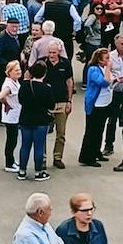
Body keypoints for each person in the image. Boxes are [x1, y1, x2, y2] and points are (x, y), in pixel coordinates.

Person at [16, 60, 55, 182]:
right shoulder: (46, 88)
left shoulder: (25, 85)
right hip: (41, 121)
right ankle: (38, 172)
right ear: (45, 73)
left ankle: (22, 171)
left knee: (25, 146)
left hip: (25, 119)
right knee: (39, 147)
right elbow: (51, 105)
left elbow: (20, 100)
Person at [41, 41, 74, 170]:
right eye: (49, 52)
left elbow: (69, 82)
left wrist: (69, 101)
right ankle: (42, 158)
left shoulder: (65, 63)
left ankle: (58, 157)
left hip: (62, 102)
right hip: (46, 103)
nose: (51, 55)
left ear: (59, 52)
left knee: (61, 133)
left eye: (54, 53)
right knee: (42, 132)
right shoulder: (43, 63)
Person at [78, 47, 113, 167]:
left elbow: (110, 80)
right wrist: (108, 68)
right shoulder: (93, 69)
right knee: (92, 131)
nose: (109, 60)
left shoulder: (103, 69)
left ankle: (96, 151)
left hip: (105, 103)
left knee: (100, 130)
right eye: (106, 58)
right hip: (96, 104)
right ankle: (87, 156)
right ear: (99, 60)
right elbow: (104, 82)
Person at [0, 59, 23, 173]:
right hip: (11, 116)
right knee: (11, 140)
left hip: (15, 115)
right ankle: (9, 163)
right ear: (10, 72)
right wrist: (6, 104)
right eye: (16, 70)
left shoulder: (15, 82)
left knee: (13, 139)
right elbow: (1, 96)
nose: (19, 72)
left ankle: (12, 160)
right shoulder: (8, 84)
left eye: (19, 70)